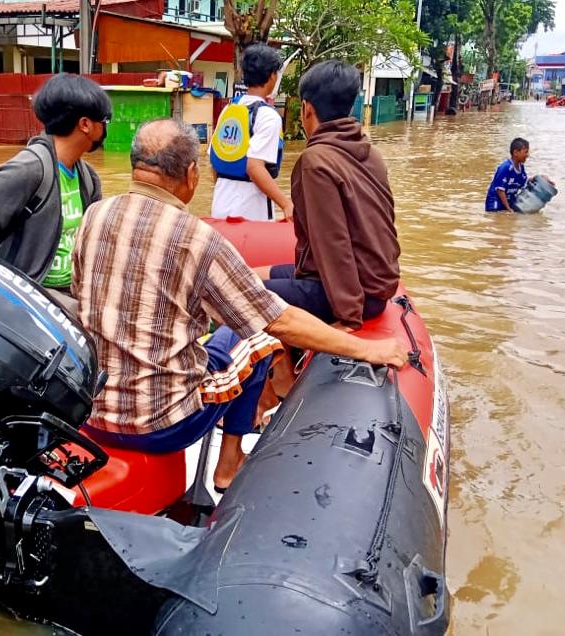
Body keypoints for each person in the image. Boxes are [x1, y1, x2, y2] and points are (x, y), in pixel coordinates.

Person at [71, 119, 408, 491]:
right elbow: (278, 321)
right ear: (191, 173)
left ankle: (261, 403)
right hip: (166, 423)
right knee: (258, 338)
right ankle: (229, 461)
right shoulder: (198, 240)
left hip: (91, 413)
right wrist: (367, 349)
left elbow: (84, 297)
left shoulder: (94, 216)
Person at [254, 61, 401, 331]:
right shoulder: (371, 153)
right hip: (371, 286)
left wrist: (349, 316)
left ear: (306, 108)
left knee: (238, 295)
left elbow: (333, 242)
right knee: (252, 275)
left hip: (351, 295)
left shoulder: (315, 161)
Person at [0, 74, 109, 304]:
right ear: (85, 124)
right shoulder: (27, 170)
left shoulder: (89, 178)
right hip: (32, 298)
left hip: (72, 293)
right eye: (105, 121)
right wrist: (3, 293)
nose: (106, 128)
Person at [209, 44, 292, 221]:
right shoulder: (268, 116)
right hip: (251, 210)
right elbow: (254, 167)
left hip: (220, 204)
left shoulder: (229, 110)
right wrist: (286, 204)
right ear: (272, 75)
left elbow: (215, 161)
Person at [484, 137, 530, 213]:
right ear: (516, 152)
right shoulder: (505, 167)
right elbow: (500, 190)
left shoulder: (521, 167)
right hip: (496, 203)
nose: (528, 155)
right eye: (526, 152)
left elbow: (524, 183)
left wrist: (539, 178)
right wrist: (508, 208)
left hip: (509, 201)